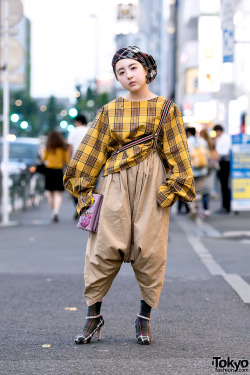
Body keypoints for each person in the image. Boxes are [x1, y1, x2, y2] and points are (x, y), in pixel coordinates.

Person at [63, 46, 195, 345]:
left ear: (147, 69)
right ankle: (93, 317)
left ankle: (144, 318)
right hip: (114, 183)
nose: (128, 75)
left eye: (133, 68)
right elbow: (92, 149)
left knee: (150, 251)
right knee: (103, 248)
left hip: (153, 186)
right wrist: (83, 190)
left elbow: (177, 150)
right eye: (120, 72)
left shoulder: (166, 108)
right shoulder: (110, 110)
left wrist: (171, 187)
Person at [42, 130, 70, 222]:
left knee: (50, 193)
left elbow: (43, 159)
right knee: (58, 193)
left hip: (49, 171)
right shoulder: (62, 149)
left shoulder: (47, 148)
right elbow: (67, 161)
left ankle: (52, 211)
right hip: (58, 172)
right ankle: (56, 211)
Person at [67, 114, 88, 219]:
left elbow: (70, 147)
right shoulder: (91, 130)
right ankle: (85, 208)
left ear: (78, 122)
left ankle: (78, 206)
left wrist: (68, 162)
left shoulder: (73, 131)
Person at [186, 127, 210, 218]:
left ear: (188, 133)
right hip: (203, 169)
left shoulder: (187, 141)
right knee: (200, 190)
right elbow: (207, 155)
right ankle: (198, 205)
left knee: (191, 189)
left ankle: (193, 207)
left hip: (192, 170)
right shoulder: (203, 141)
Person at [213, 124, 231, 213]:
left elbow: (225, 151)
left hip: (224, 162)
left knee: (224, 185)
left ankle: (226, 206)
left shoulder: (225, 138)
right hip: (221, 162)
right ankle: (224, 205)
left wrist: (217, 155)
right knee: (223, 185)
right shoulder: (220, 138)